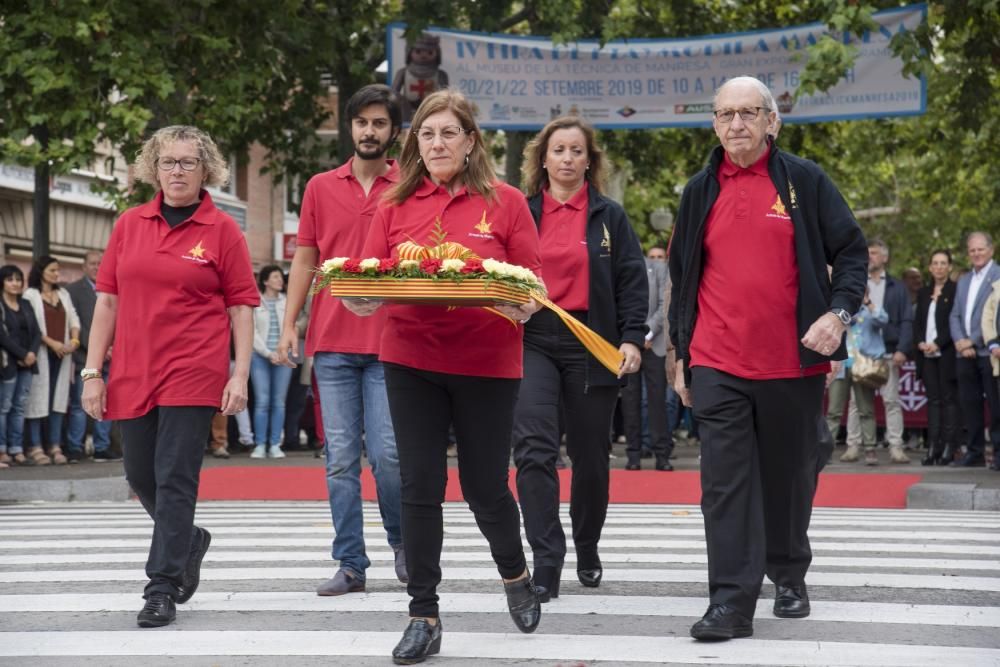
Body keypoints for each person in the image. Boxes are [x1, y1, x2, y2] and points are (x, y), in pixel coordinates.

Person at [347, 89, 543, 664]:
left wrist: (524, 303)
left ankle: (514, 572)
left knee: (485, 487)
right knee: (418, 486)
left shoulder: (505, 202)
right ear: (415, 144)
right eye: (426, 135)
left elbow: (533, 280)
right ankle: (423, 614)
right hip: (411, 358)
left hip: (488, 363)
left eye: (448, 134)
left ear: (470, 141)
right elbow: (369, 276)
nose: (436, 144)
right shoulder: (393, 204)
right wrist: (359, 300)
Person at [668, 76, 867, 641]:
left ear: (771, 122)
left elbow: (850, 252)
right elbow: (684, 280)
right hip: (716, 361)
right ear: (714, 123)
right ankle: (730, 603)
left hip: (792, 362)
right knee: (723, 484)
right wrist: (682, 356)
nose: (737, 125)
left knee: (789, 475)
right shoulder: (697, 190)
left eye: (749, 114)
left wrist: (839, 314)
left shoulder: (804, 181)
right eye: (726, 114)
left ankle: (787, 571)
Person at [81, 125, 258, 628]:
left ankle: (161, 586)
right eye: (167, 162)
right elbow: (107, 303)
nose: (176, 171)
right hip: (134, 370)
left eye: (187, 162)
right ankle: (190, 539)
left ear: (207, 170)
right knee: (140, 475)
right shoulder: (129, 224)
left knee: (175, 476)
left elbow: (243, 307)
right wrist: (94, 372)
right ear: (152, 168)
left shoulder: (222, 230)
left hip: (194, 370)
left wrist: (238, 375)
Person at [276, 84, 406, 597]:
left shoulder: (409, 185)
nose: (369, 131)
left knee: (390, 456)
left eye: (379, 123)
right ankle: (351, 563)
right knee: (339, 459)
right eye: (361, 123)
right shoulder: (319, 187)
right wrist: (290, 324)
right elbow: (305, 258)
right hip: (331, 343)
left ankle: (403, 545)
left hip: (392, 341)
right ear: (349, 128)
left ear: (393, 131)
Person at [512, 116, 647, 605]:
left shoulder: (610, 217)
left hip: (592, 340)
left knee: (591, 458)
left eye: (576, 150)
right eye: (558, 150)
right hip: (532, 338)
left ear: (589, 160)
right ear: (542, 158)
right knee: (533, 449)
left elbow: (633, 282)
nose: (567, 158)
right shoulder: (519, 211)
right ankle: (546, 559)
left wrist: (632, 338)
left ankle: (587, 542)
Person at [843, 240, 913, 464]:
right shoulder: (855, 282)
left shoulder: (896, 286)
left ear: (884, 258)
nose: (870, 257)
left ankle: (896, 447)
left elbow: (906, 320)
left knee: (891, 400)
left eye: (874, 253)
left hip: (888, 352)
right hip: (859, 354)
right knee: (856, 403)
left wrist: (903, 348)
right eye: (867, 253)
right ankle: (853, 446)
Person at [948, 231, 1000, 468]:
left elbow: (994, 317)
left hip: (989, 353)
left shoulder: (998, 275)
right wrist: (960, 341)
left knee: (996, 404)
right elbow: (955, 314)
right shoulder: (964, 279)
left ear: (991, 249)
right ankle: (975, 451)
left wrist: (973, 340)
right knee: (969, 404)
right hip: (963, 354)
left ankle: (998, 453)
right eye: (972, 250)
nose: (976, 254)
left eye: (980, 249)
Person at [24, 256, 81, 466]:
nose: (57, 274)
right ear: (41, 271)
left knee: (58, 402)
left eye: (58, 270)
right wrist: (53, 344)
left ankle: (55, 445)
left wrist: (73, 341)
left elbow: (74, 319)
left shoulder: (63, 293)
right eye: (53, 270)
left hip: (63, 355)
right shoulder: (31, 295)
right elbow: (32, 325)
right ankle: (35, 446)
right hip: (41, 354)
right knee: (37, 400)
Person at [66, 251, 118, 462]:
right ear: (84, 266)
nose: (97, 267)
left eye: (100, 263)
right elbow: (77, 324)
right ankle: (74, 447)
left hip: (114, 358)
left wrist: (113, 347)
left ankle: (101, 447)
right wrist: (99, 348)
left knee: (107, 404)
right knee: (80, 405)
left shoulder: (115, 289)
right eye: (93, 263)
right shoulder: (73, 291)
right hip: (85, 358)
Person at [622, 253, 672, 471]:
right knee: (630, 400)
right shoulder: (622, 266)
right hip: (628, 344)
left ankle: (662, 455)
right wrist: (633, 336)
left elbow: (664, 304)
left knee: (657, 401)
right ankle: (633, 455)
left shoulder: (658, 268)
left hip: (654, 343)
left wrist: (647, 334)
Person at [828, 289, 888, 466]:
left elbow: (883, 320)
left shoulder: (868, 312)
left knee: (866, 409)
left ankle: (870, 448)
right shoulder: (837, 312)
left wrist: (868, 303)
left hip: (863, 367)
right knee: (833, 411)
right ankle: (827, 449)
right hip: (840, 365)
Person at [914, 250, 958, 466]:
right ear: (930, 267)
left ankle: (950, 447)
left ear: (950, 267)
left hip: (947, 353)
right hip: (926, 355)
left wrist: (937, 343)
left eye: (943, 263)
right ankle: (933, 446)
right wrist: (920, 342)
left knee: (949, 400)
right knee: (933, 401)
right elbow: (918, 323)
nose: (939, 267)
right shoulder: (923, 292)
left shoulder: (956, 290)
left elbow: (955, 323)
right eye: (935, 263)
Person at [0, 265, 41, 467]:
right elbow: (2, 337)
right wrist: (23, 354)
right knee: (4, 407)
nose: (15, 283)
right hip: (8, 363)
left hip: (28, 363)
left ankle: (16, 448)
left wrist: (31, 353)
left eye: (18, 279)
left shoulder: (25, 304)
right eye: (10, 279)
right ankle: (2, 450)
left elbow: (37, 332)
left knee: (19, 407)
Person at [250, 265, 292, 459]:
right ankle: (259, 444)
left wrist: (283, 351)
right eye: (275, 277)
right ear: (265, 281)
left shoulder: (287, 302)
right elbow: (252, 332)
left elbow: (291, 328)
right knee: (262, 401)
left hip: (284, 356)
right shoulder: (256, 302)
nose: (279, 280)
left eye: (280, 277)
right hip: (260, 357)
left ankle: (275, 444)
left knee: (279, 402)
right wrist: (268, 353)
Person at [392, 33, 449, 122]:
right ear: (409, 52)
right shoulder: (402, 72)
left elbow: (447, 96)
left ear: (437, 54)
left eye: (430, 52)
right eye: (418, 51)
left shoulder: (441, 74)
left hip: (432, 109)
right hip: (407, 110)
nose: (423, 55)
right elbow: (394, 93)